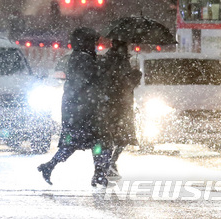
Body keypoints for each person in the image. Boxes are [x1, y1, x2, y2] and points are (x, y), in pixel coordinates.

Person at [37, 27, 111, 187]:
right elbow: (87, 82)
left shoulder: (80, 57)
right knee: (98, 141)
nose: (94, 45)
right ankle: (98, 173)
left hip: (77, 108)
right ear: (85, 42)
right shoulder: (84, 59)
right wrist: (101, 71)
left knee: (78, 142)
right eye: (92, 42)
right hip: (83, 109)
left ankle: (51, 166)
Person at [98, 39, 142, 179]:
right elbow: (117, 82)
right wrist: (132, 78)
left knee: (122, 138)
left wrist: (133, 78)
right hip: (115, 104)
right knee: (117, 137)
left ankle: (110, 163)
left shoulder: (119, 60)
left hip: (121, 104)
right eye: (125, 46)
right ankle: (107, 164)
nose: (127, 49)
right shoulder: (112, 60)